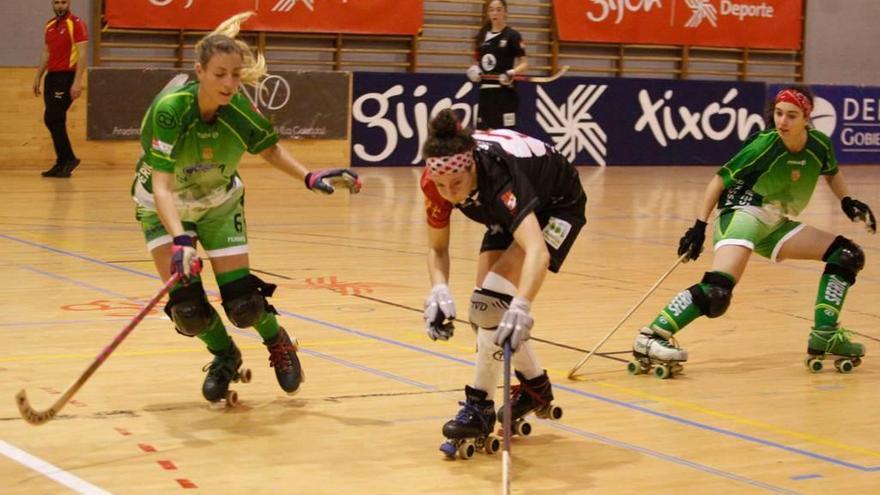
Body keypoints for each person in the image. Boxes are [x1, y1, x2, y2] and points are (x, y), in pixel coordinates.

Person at [131, 12, 361, 405]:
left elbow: (269, 148)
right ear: (199, 70)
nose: (229, 84)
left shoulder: (238, 111)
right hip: (160, 203)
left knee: (244, 303)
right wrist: (181, 239)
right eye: (220, 74)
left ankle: (278, 341)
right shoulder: (173, 111)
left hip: (219, 204)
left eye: (236, 75)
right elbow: (162, 184)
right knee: (188, 309)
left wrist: (308, 177)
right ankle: (224, 355)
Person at [630, 85, 876, 378]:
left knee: (846, 255)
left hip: (775, 223)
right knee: (717, 291)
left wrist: (846, 200)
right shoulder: (764, 145)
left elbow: (831, 172)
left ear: (807, 119)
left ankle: (824, 334)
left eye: (791, 116)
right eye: (779, 114)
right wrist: (699, 225)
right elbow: (717, 181)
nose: (782, 122)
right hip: (742, 213)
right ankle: (651, 335)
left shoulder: (820, 145)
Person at [421, 109, 586, 451]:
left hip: (558, 204)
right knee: (486, 318)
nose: (449, 193)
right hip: (507, 209)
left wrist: (523, 305)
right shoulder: (436, 182)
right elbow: (437, 249)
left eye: (457, 184)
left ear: (471, 167)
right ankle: (535, 385)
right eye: (441, 185)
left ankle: (479, 405)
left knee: (491, 307)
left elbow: (537, 252)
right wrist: (438, 288)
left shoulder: (499, 178)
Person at [35, 0, 88, 178]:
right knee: (51, 119)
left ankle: (69, 159)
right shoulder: (49, 25)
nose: (60, 6)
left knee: (54, 116)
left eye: (63, 2)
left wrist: (77, 81)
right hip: (52, 77)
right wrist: (38, 76)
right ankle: (62, 161)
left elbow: (82, 54)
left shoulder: (76, 23)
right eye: (56, 2)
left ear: (69, 3)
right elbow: (46, 52)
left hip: (66, 77)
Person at [466, 0, 527, 130]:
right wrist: (473, 70)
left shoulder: (512, 35)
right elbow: (477, 61)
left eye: (499, 9)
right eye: (492, 9)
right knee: (483, 133)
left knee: (505, 134)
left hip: (505, 93)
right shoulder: (482, 36)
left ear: (505, 12)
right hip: (485, 93)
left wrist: (512, 72)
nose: (495, 13)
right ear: (488, 13)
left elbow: (524, 63)